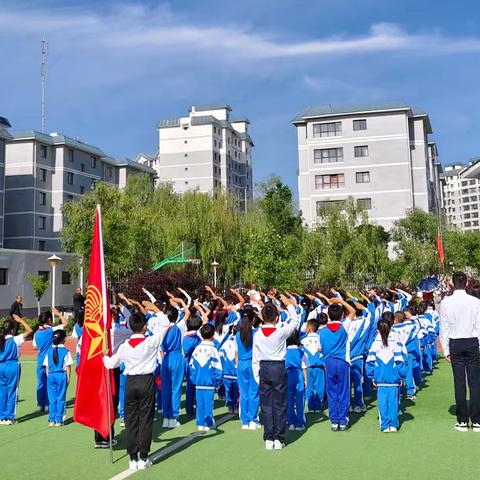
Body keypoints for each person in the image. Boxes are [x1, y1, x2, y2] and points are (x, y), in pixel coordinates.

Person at [103, 302, 171, 471]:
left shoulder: (125, 346)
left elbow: (111, 364)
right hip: (146, 381)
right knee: (145, 420)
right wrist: (156, 310)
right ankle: (143, 457)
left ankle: (132, 458)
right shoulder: (151, 342)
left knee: (131, 420)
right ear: (145, 326)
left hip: (130, 383)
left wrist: (104, 356)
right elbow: (166, 324)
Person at [252, 294, 299, 450]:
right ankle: (278, 438)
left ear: (262, 317)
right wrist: (289, 304)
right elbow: (295, 320)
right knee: (280, 403)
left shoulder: (257, 334)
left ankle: (269, 438)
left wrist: (257, 376)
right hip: (278, 367)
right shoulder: (280, 331)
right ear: (277, 317)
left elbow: (255, 357)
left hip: (264, 367)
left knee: (266, 404)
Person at [439, 272, 480, 432]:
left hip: (456, 342)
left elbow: (444, 328)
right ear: (467, 282)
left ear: (453, 283)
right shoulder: (475, 302)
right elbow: (479, 326)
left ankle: (463, 420)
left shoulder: (446, 302)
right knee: (475, 382)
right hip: (472, 342)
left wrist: (446, 349)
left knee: (460, 382)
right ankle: (476, 420)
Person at [318, 297, 355, 431]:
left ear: (328, 315)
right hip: (342, 361)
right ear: (341, 315)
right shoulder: (344, 325)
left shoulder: (321, 331)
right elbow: (352, 311)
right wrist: (340, 301)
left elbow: (320, 348)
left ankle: (334, 420)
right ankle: (343, 420)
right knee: (344, 391)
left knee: (332, 391)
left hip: (328, 362)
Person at [366, 315, 407, 432]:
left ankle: (385, 425)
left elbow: (369, 362)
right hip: (394, 379)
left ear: (378, 330)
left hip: (380, 380)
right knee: (394, 404)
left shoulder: (375, 344)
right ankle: (393, 425)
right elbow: (400, 361)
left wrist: (372, 376)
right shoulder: (395, 342)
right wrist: (402, 376)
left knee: (382, 404)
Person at [32, 308, 68, 412]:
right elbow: (65, 324)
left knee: (40, 382)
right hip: (50, 359)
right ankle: (48, 404)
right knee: (49, 381)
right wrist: (58, 314)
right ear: (48, 320)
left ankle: (40, 404)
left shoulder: (36, 333)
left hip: (40, 359)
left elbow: (34, 347)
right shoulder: (51, 330)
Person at [189, 323, 223, 431]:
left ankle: (200, 423)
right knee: (209, 402)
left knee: (200, 403)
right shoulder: (213, 349)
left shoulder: (197, 348)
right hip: (209, 381)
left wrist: (193, 379)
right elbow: (218, 367)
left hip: (198, 381)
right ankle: (208, 422)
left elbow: (191, 365)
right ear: (213, 335)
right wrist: (218, 381)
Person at [0, 315, 32, 425]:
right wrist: (20, 320)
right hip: (12, 365)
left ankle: (2, 417)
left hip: (1, 366)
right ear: (13, 329)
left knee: (2, 392)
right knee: (12, 391)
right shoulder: (15, 339)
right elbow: (29, 330)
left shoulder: (1, 340)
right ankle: (10, 417)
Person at [235, 309, 260, 430]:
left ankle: (245, 421)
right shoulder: (256, 333)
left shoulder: (237, 334)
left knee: (244, 393)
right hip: (253, 364)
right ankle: (253, 419)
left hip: (241, 364)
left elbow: (235, 353)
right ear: (253, 319)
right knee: (254, 392)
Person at [43, 330, 73, 427]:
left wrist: (49, 377)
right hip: (61, 375)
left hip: (51, 376)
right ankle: (59, 420)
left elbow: (46, 367)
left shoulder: (48, 351)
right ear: (63, 339)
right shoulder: (65, 351)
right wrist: (68, 379)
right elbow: (68, 367)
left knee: (52, 399)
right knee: (61, 398)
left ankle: (52, 419)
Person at [285, 330, 308, 431]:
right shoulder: (301, 351)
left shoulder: (284, 351)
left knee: (289, 400)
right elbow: (304, 367)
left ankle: (290, 422)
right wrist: (306, 380)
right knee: (299, 399)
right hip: (298, 375)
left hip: (287, 375)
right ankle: (299, 423)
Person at [301, 318, 324, 413]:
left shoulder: (303, 340)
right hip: (319, 366)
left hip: (308, 367)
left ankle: (310, 405)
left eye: (306, 327)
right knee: (320, 386)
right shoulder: (321, 338)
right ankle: (318, 406)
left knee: (309, 386)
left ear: (309, 328)